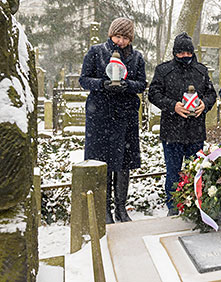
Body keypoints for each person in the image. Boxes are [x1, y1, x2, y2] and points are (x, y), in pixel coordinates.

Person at [79, 18, 147, 224]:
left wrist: (127, 85)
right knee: (104, 163)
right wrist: (102, 84)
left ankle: (121, 208)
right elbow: (84, 79)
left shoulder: (136, 57)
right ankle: (105, 209)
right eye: (118, 36)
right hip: (101, 116)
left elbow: (142, 83)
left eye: (126, 37)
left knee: (123, 164)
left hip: (125, 117)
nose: (121, 41)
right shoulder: (96, 52)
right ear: (110, 35)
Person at [148, 32, 217, 216]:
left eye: (188, 53)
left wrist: (205, 104)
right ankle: (173, 206)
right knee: (173, 171)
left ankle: (195, 203)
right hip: (172, 131)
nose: (185, 56)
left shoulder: (201, 71)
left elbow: (211, 94)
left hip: (195, 131)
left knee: (196, 171)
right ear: (174, 53)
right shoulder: (163, 71)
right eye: (181, 53)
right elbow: (153, 94)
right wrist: (173, 106)